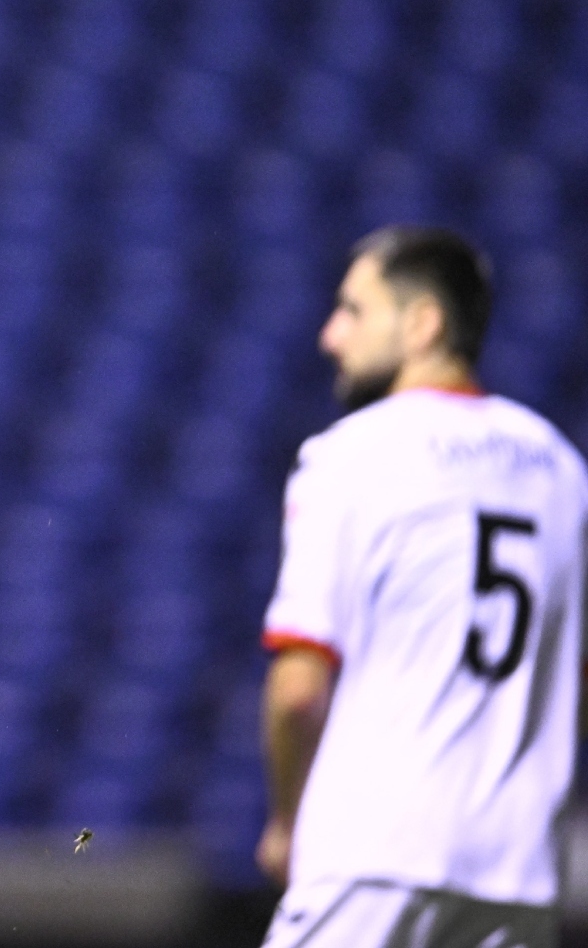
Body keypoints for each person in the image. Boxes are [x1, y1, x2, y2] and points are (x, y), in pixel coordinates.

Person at [256, 226, 586, 948]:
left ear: (422, 323)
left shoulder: (351, 457)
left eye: (352, 310)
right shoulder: (562, 470)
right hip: (519, 870)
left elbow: (299, 689)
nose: (329, 335)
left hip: (374, 857)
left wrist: (288, 821)